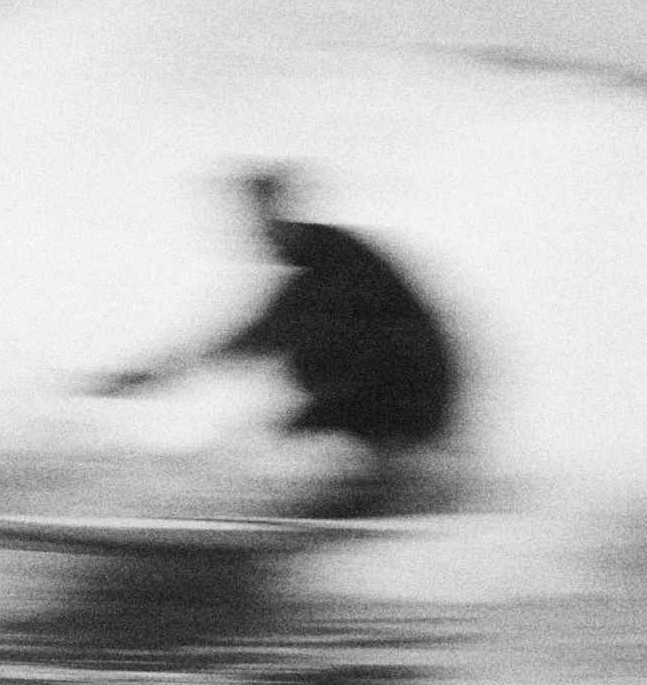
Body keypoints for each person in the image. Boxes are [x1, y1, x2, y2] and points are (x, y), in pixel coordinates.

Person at [86, 167, 464, 517]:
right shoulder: (329, 260)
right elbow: (254, 339)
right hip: (400, 400)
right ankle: (378, 489)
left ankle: (382, 493)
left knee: (277, 431)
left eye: (258, 223)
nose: (254, 237)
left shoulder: (330, 272)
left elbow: (248, 341)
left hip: (404, 402)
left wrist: (148, 378)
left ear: (278, 214)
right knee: (281, 427)